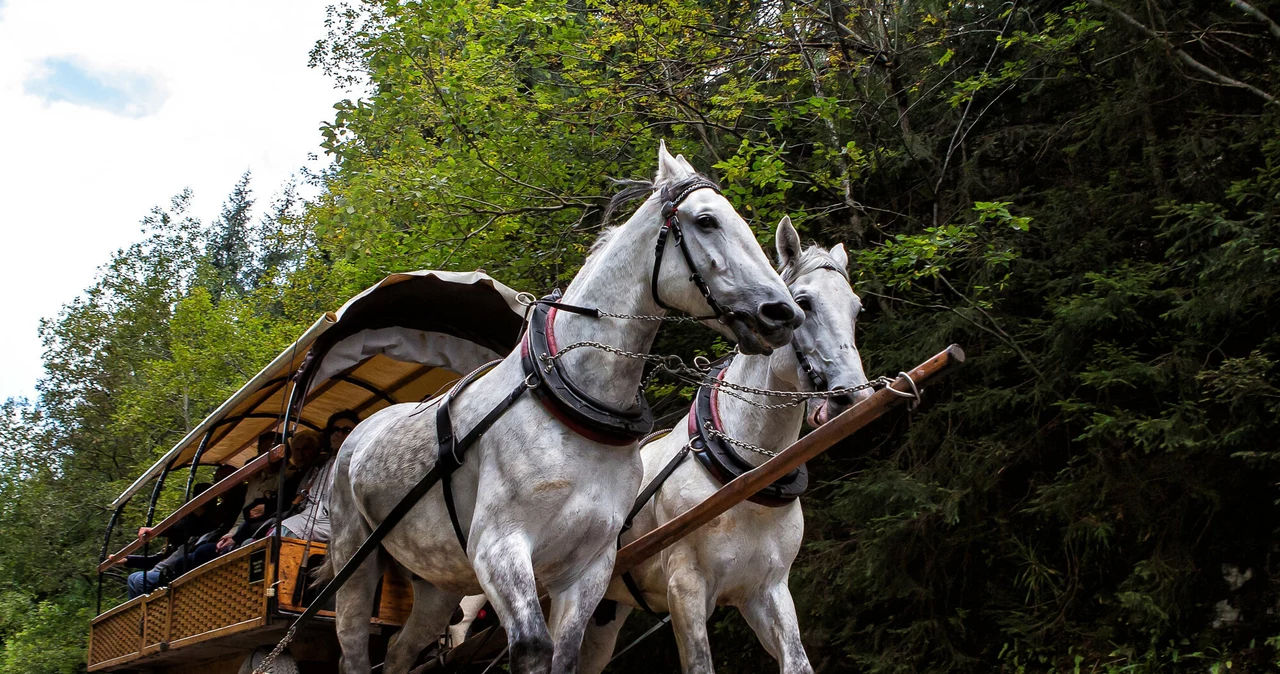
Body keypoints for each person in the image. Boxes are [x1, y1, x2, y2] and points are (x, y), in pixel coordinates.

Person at [118, 465, 238, 598]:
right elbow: (162, 555)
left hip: (178, 569)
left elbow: (185, 528)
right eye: (216, 480)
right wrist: (128, 560)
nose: (218, 484)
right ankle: (143, 616)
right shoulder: (196, 527)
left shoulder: (216, 516)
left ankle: (146, 616)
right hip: (169, 566)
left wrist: (158, 531)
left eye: (222, 479)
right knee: (134, 578)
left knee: (141, 579)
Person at [275, 411, 359, 542]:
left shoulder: (357, 463)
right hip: (308, 517)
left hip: (335, 522)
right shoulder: (322, 465)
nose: (339, 434)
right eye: (335, 430)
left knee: (285, 532)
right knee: (272, 532)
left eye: (346, 430)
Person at [216, 432, 285, 553]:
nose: (269, 455)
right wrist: (231, 534)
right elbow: (243, 515)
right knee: (204, 551)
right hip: (240, 530)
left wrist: (236, 537)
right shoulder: (254, 480)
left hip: (260, 530)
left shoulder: (287, 477)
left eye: (273, 450)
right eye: (264, 451)